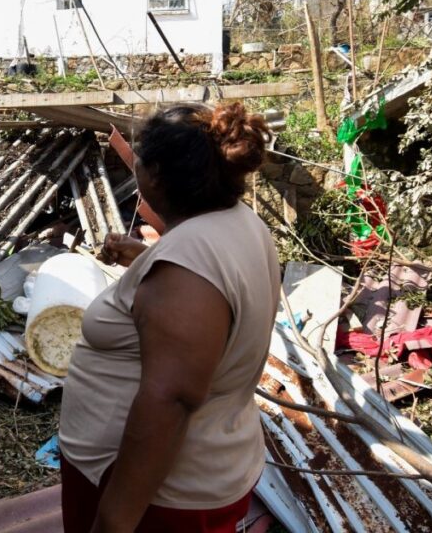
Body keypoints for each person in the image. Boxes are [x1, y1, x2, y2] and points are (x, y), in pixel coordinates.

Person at [58, 102, 280, 533]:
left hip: (151, 495)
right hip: (203, 467)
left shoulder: (187, 263)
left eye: (139, 159)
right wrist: (148, 261)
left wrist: (114, 520)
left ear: (155, 173)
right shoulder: (239, 224)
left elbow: (170, 400)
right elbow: (213, 298)